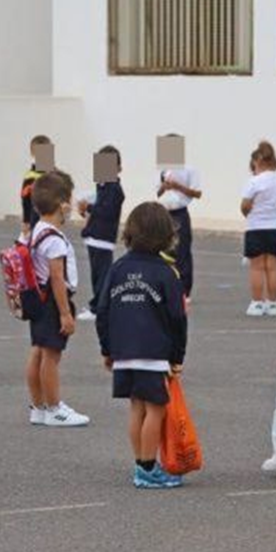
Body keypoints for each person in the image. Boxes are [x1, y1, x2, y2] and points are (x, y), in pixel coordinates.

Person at [97, 201, 188, 489]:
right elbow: (177, 319)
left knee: (137, 407)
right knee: (156, 409)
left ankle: (141, 462)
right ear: (165, 235)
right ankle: (147, 468)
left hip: (124, 351)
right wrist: (177, 356)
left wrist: (107, 349)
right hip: (153, 354)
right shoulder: (167, 273)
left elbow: (103, 311)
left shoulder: (117, 268)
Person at [25, 171, 90, 427]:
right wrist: (65, 312)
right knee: (51, 356)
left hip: (39, 300)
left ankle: (38, 406)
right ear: (62, 205)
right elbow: (56, 276)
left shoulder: (37, 230)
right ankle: (54, 408)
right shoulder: (53, 239)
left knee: (38, 352)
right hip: (53, 301)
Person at [241, 140, 276, 317]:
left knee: (256, 267)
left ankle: (257, 303)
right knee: (272, 267)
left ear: (257, 160)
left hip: (256, 227)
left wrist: (249, 213)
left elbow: (245, 205)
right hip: (275, 228)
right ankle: (272, 304)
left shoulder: (254, 182)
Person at [77, 144, 125, 322]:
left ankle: (99, 308)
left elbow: (107, 211)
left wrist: (89, 207)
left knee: (102, 275)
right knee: (97, 274)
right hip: (95, 237)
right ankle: (97, 304)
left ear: (118, 168)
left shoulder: (114, 189)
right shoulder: (103, 186)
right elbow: (98, 209)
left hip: (103, 238)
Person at [157, 134, 202, 302]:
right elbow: (157, 192)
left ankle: (185, 290)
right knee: (162, 251)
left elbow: (197, 193)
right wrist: (164, 186)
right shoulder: (162, 169)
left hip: (180, 211)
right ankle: (164, 286)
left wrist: (178, 187)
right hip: (165, 212)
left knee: (182, 251)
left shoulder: (189, 169)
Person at [20, 135, 52, 239]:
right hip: (36, 221)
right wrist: (26, 221)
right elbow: (25, 200)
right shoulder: (31, 175)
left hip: (52, 220)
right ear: (33, 153)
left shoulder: (54, 174)